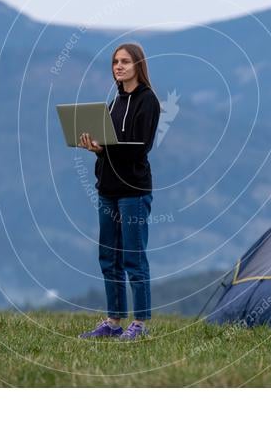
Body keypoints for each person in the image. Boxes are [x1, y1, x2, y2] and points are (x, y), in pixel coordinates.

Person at [77, 42, 161, 341]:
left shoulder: (148, 101)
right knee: (109, 257)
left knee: (134, 258)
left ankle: (139, 323)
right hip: (107, 188)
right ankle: (113, 322)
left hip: (133, 192)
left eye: (125, 61)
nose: (119, 66)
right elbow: (112, 148)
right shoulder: (114, 103)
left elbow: (141, 148)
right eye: (115, 62)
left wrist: (105, 148)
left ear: (138, 65)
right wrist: (96, 149)